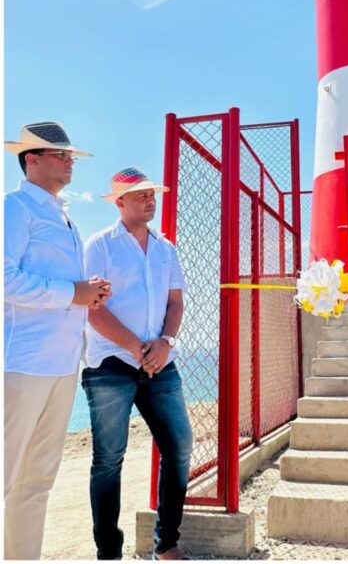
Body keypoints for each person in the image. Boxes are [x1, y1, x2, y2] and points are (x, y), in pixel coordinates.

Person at [4, 122, 112, 560]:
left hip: (63, 364)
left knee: (36, 484)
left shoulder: (63, 215)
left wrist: (87, 290)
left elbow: (59, 285)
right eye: (59, 154)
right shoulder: (14, 207)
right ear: (31, 159)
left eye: (70, 155)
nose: (69, 161)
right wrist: (73, 293)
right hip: (21, 363)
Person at [81, 168, 193, 560]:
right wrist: (136, 347)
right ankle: (109, 553)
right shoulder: (99, 245)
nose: (150, 199)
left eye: (152, 194)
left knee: (179, 448)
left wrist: (164, 342)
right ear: (119, 202)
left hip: (161, 361)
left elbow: (175, 302)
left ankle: (168, 543)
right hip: (111, 363)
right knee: (109, 460)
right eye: (141, 194)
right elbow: (92, 309)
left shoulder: (166, 249)